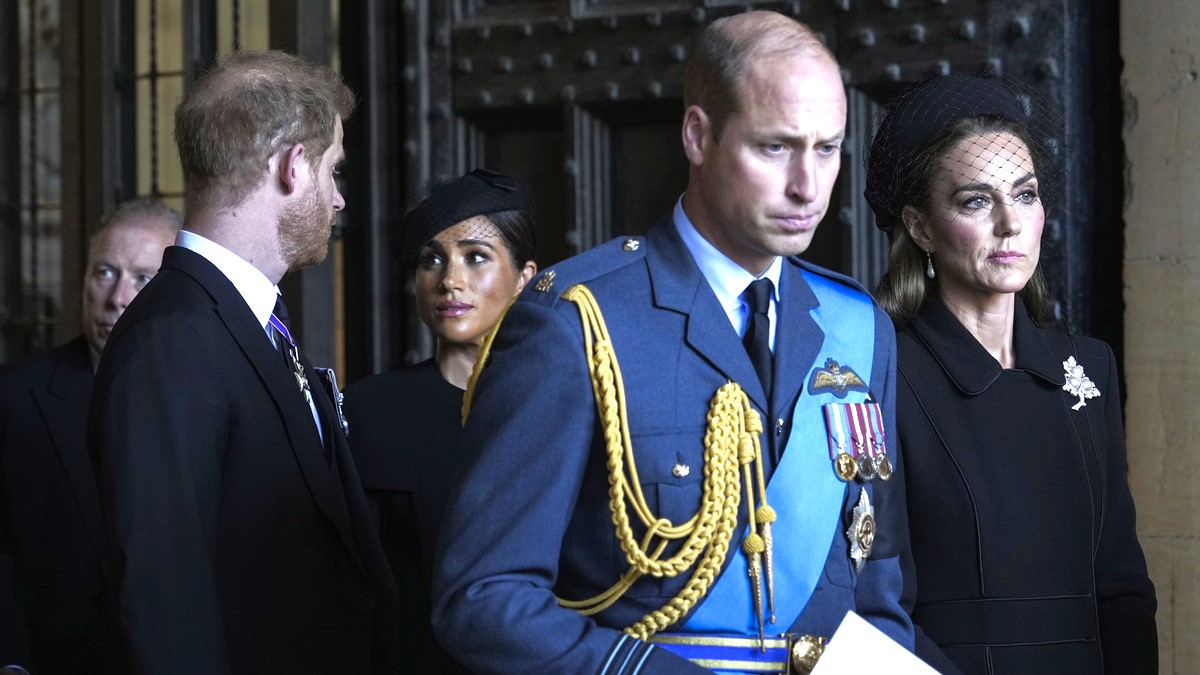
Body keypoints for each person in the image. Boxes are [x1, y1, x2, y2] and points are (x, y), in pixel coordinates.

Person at [432, 11, 913, 674]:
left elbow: (877, 592)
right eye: (775, 147)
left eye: (826, 149)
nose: (808, 185)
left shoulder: (857, 328)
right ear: (698, 135)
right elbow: (483, 598)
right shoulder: (577, 323)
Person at [88, 50, 398, 674]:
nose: (338, 200)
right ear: (293, 165)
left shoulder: (245, 322)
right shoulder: (169, 342)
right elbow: (164, 606)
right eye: (333, 171)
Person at [865, 74, 1158, 673]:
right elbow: (873, 599)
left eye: (1024, 194)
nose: (1009, 223)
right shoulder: (881, 369)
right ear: (920, 227)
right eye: (976, 200)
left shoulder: (1088, 368)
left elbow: (1122, 586)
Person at [342, 168, 537, 674]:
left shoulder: (559, 411)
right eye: (432, 259)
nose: (450, 280)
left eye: (476, 257)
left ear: (525, 278)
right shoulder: (369, 412)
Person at [0, 199, 179, 674]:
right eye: (104, 272)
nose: (117, 297)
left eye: (142, 278)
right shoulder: (14, 398)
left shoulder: (211, 397)